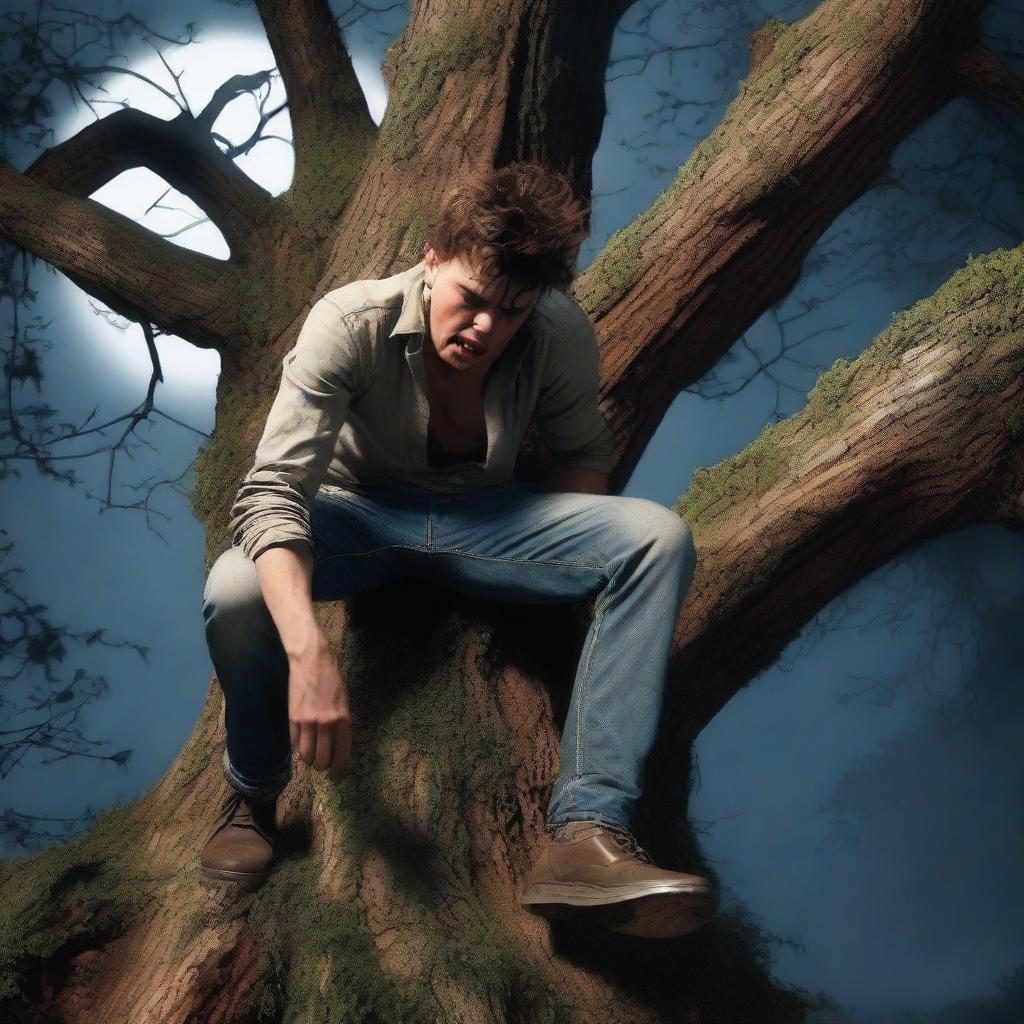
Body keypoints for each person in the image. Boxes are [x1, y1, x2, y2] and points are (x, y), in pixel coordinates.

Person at [199, 161, 716, 938]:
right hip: (358, 518)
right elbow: (271, 494)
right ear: (434, 256)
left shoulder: (557, 330)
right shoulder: (348, 322)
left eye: (509, 312)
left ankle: (586, 833)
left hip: (489, 520)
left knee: (658, 539)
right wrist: (309, 654)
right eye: (471, 299)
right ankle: (254, 794)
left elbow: (582, 462)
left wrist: (563, 585)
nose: (484, 327)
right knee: (236, 589)